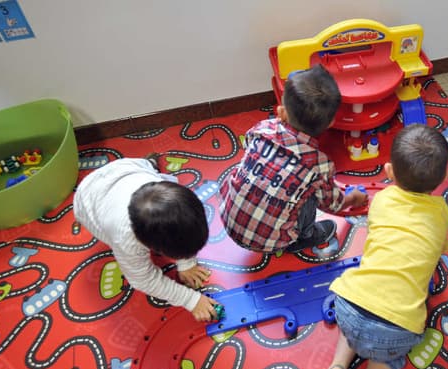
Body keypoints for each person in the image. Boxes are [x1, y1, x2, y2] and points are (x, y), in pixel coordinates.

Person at [320, 124, 448, 369]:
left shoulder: (381, 200)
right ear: (442, 179)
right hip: (396, 327)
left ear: (389, 171)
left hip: (349, 305)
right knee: (390, 355)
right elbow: (441, 250)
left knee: (354, 323)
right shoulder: (443, 212)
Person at [219, 65, 367, 253]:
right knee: (311, 191)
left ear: (281, 112)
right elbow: (332, 204)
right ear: (330, 123)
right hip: (269, 243)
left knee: (250, 165)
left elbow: (248, 145)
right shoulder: (319, 165)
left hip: (227, 218)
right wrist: (353, 198)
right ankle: (306, 236)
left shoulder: (263, 128)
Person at [73, 156, 219, 321]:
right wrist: (190, 300)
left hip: (128, 168)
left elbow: (184, 227)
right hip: (88, 200)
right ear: (146, 244)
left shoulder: (175, 195)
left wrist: (186, 264)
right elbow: (143, 280)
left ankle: (150, 163)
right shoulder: (126, 238)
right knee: (121, 244)